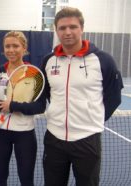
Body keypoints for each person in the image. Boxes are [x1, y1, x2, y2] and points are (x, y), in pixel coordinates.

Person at [41, 7, 123, 186]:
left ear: (82, 28)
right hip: (54, 138)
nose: (67, 32)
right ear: (56, 30)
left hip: (87, 139)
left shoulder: (103, 60)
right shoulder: (48, 61)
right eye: (62, 28)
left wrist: (93, 118)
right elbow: (48, 93)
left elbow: (114, 97)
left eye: (73, 27)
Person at [0, 31, 46, 186]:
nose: (11, 50)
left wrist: (13, 106)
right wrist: (3, 106)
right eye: (7, 46)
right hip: (0, 132)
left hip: (25, 134)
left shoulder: (35, 74)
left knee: (26, 178)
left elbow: (40, 106)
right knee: (1, 176)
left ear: (24, 48)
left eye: (15, 46)